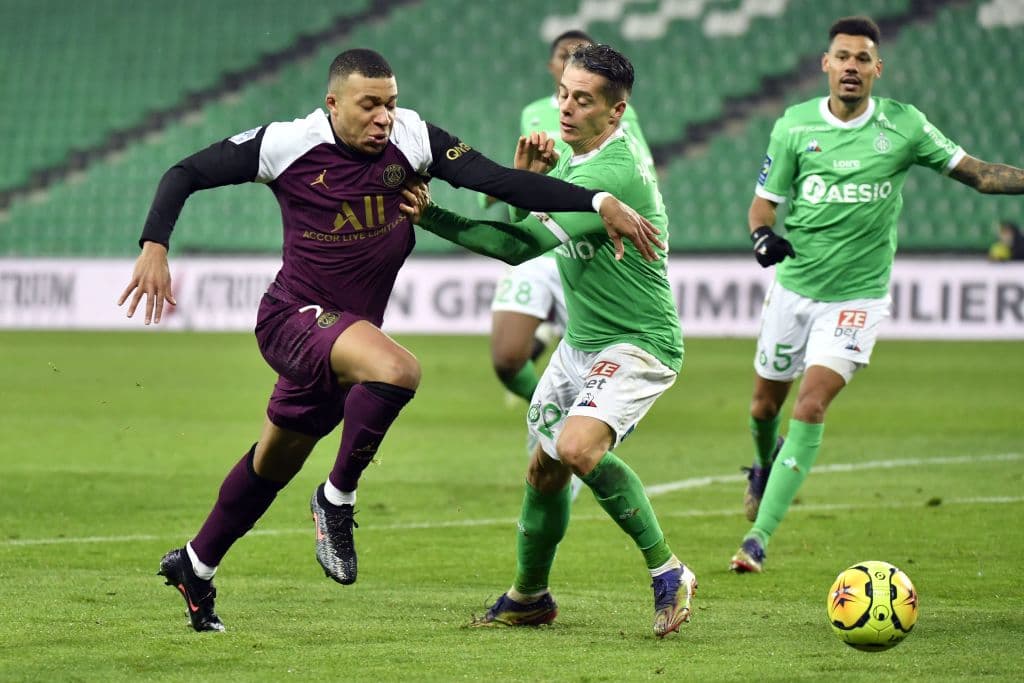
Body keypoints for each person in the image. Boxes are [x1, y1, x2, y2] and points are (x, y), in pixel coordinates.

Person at [117, 48, 663, 632]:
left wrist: (598, 199)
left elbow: (502, 183)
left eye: (391, 103)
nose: (384, 116)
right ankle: (336, 499)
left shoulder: (415, 138)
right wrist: (155, 244)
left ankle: (195, 567)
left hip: (345, 338)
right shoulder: (287, 144)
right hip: (294, 318)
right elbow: (185, 173)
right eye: (369, 105)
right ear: (333, 104)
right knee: (399, 371)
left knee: (272, 462)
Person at [409, 43, 697, 638]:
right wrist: (528, 184)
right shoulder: (573, 164)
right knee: (544, 469)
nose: (564, 108)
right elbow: (523, 235)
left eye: (582, 99)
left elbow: (515, 249)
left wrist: (431, 214)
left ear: (615, 113)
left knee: (577, 447)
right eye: (563, 93)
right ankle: (529, 597)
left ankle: (668, 570)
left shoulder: (608, 170)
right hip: (582, 342)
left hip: (639, 341)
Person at [731, 16, 1024, 574]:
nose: (851, 67)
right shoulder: (794, 127)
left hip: (857, 299)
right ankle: (763, 465)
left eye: (863, 59)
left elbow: (980, 175)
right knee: (763, 406)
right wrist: (762, 235)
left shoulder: (903, 125)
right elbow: (763, 203)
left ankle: (758, 538)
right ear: (825, 63)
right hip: (795, 291)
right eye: (842, 56)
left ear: (877, 69)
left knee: (810, 403)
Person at [487, 30, 657, 412]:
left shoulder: (620, 122)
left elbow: (641, 169)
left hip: (583, 242)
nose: (575, 58)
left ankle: (577, 426)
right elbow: (532, 173)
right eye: (567, 54)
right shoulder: (532, 112)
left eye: (583, 53)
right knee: (506, 358)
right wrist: (505, 185)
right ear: (553, 66)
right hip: (540, 240)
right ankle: (552, 412)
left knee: (589, 359)